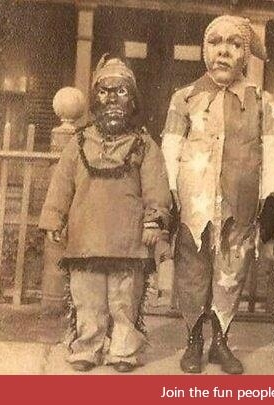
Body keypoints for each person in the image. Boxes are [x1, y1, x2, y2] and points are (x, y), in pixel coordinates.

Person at [161, 15, 274, 374]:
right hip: (194, 207)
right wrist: (167, 200)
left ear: (244, 54)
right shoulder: (184, 98)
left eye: (234, 44)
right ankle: (193, 341)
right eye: (216, 43)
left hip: (239, 207)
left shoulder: (262, 101)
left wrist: (271, 205)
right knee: (192, 273)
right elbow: (169, 150)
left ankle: (220, 342)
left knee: (230, 274)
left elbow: (273, 152)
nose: (224, 51)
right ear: (205, 49)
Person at [39, 54, 171, 372]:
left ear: (133, 100)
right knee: (88, 298)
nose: (112, 99)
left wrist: (154, 220)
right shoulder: (79, 143)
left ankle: (124, 350)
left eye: (121, 91)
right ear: (95, 100)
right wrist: (54, 217)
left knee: (125, 300)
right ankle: (87, 346)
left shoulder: (144, 145)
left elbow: (157, 187)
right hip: (85, 237)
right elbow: (61, 185)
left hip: (128, 239)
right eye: (104, 92)